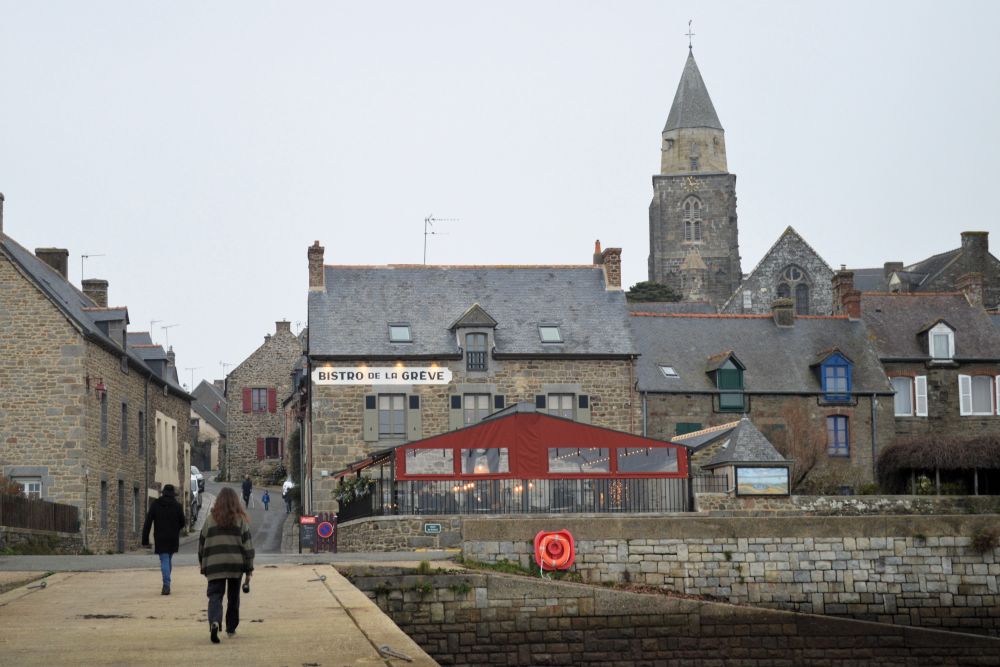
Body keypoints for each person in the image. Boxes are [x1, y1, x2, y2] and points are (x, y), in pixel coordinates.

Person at [199, 486, 255, 644]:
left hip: (214, 564)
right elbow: (248, 547)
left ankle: (215, 622)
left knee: (215, 596)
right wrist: (249, 568)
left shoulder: (210, 520)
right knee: (233, 597)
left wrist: (203, 564)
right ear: (235, 502)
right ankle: (231, 628)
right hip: (235, 565)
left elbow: (201, 544)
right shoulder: (240, 520)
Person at [141, 484, 186, 596]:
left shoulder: (155, 504)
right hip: (172, 537)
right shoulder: (177, 506)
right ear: (173, 495)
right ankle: (167, 583)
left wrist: (145, 539)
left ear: (163, 493)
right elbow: (183, 522)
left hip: (160, 537)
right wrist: (176, 529)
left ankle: (166, 585)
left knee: (165, 559)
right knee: (168, 559)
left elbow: (148, 522)